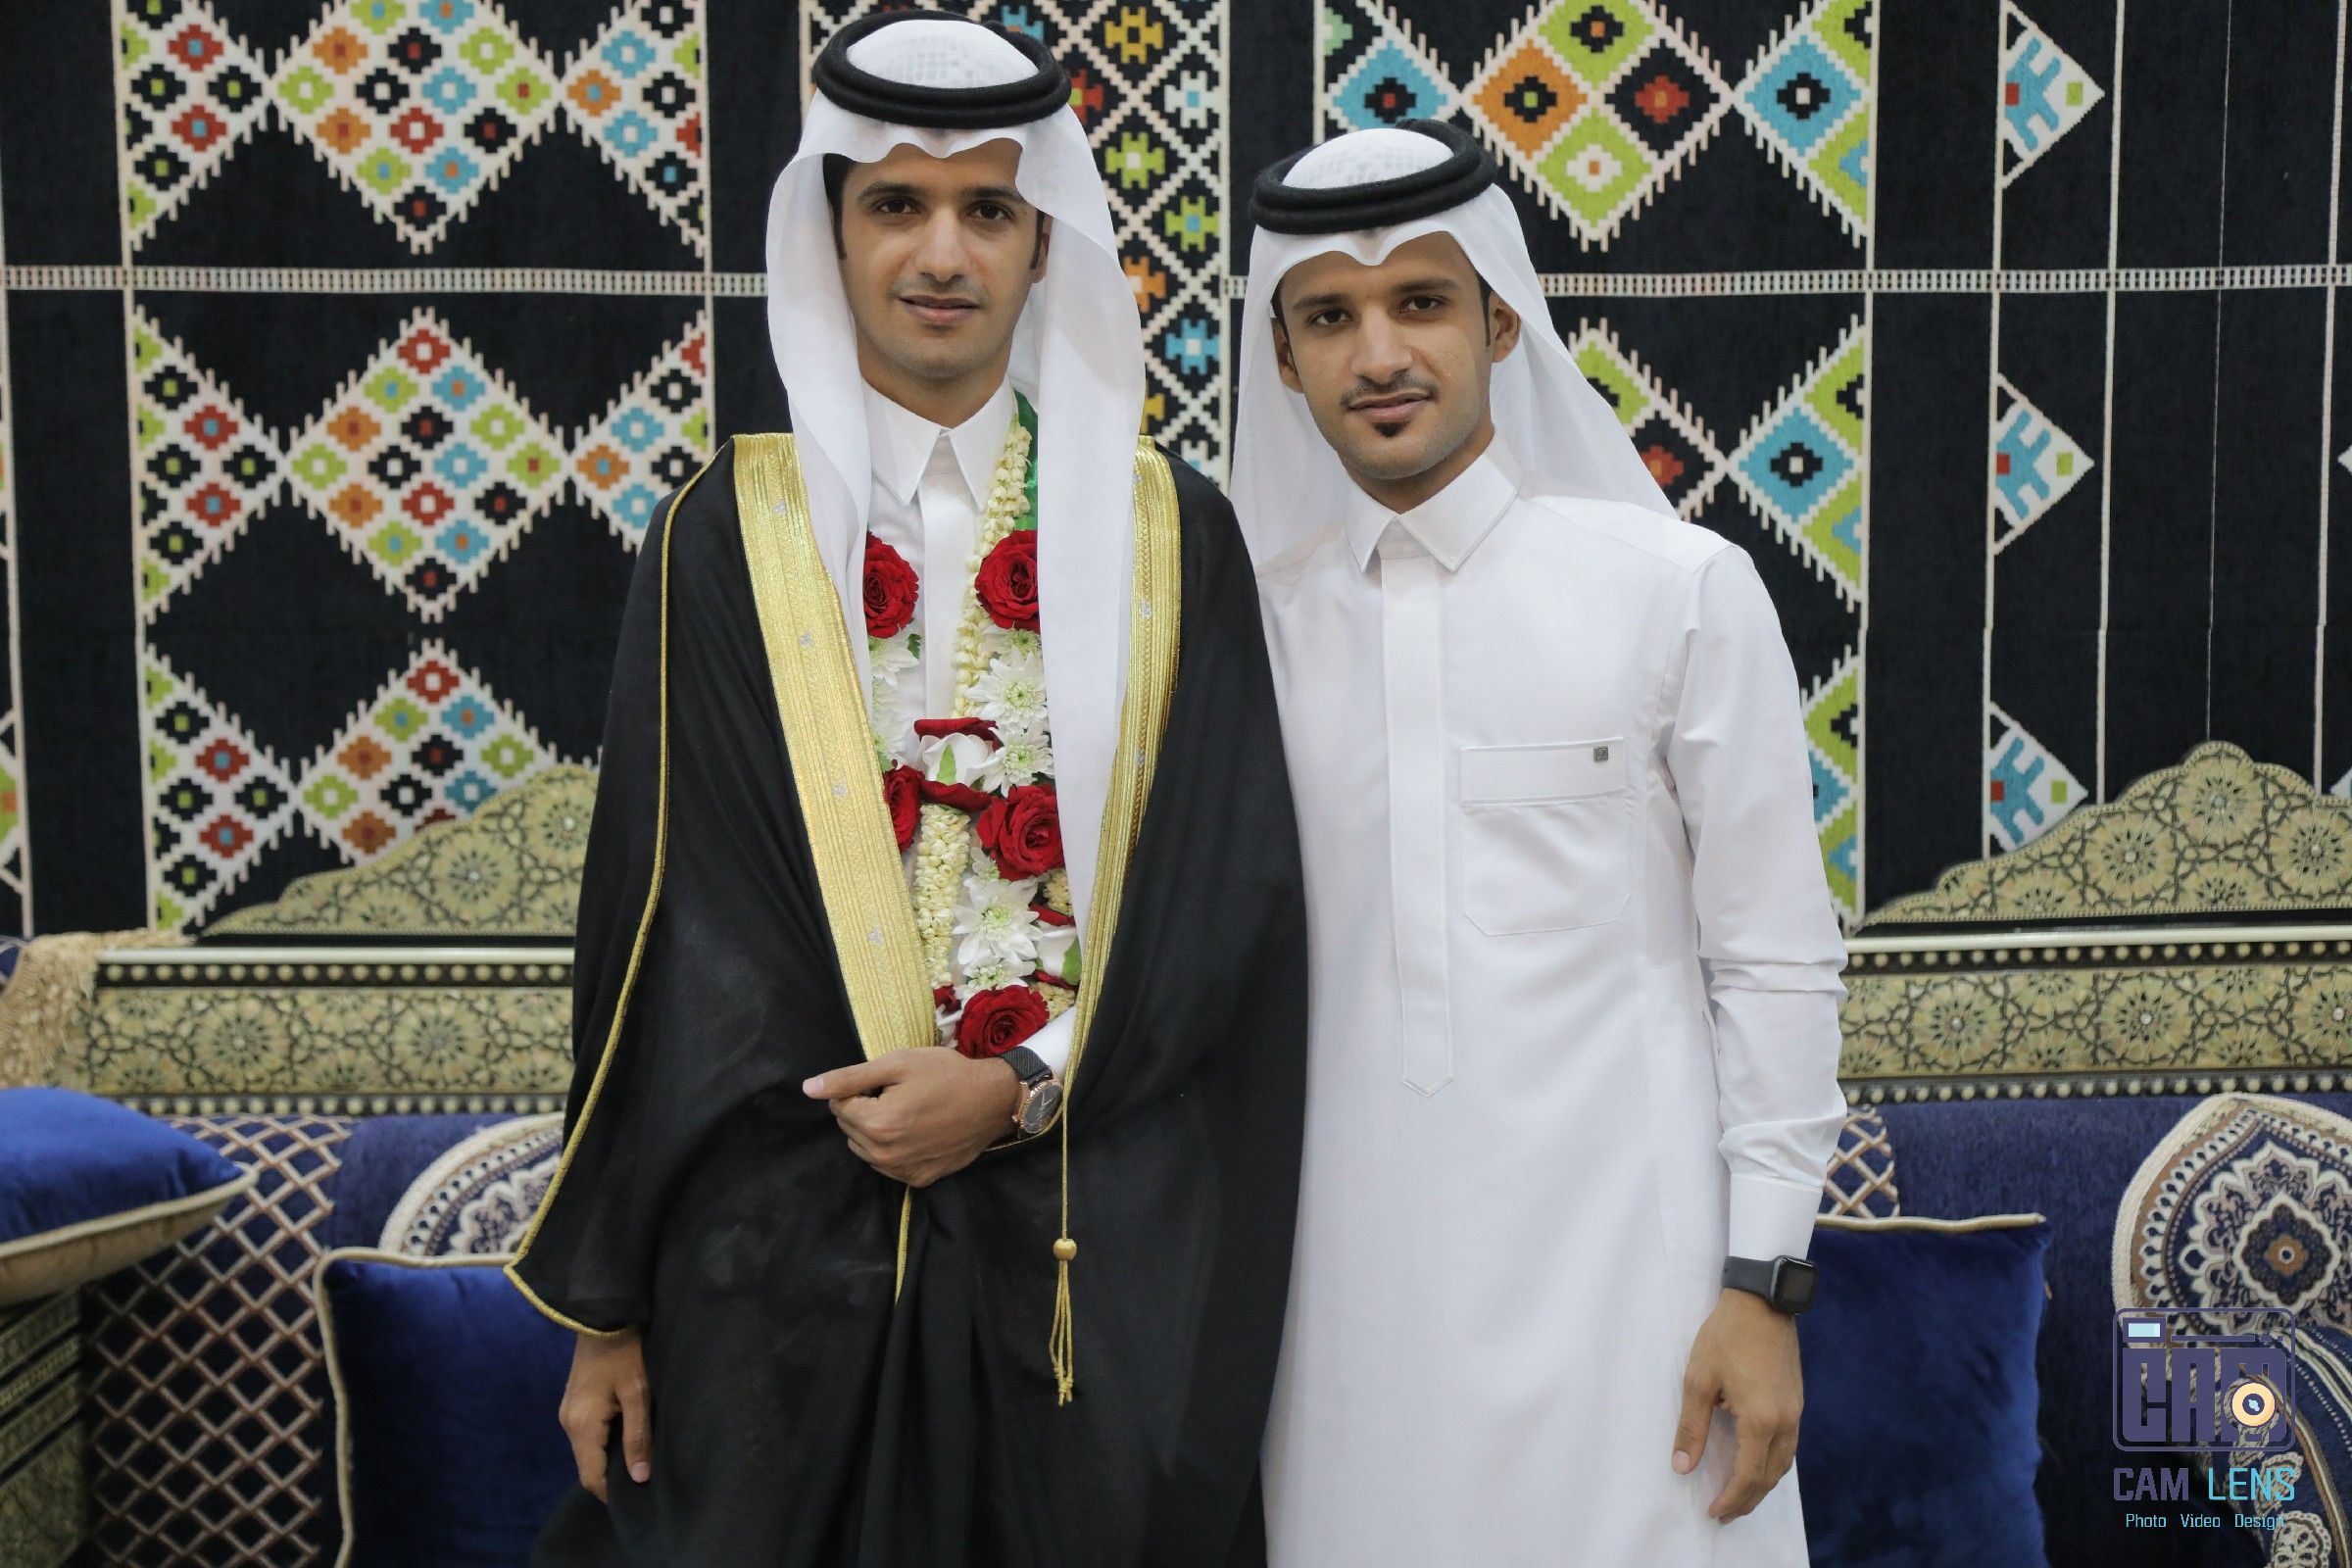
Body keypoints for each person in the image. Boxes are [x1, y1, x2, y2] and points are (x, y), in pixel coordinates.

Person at [508, 15, 1307, 1565]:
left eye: (988, 209)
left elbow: (1230, 905)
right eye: (897, 205)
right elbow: (655, 927)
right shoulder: (723, 535)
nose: (943, 253)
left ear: (1041, 244)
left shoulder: (1170, 536)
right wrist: (609, 1307)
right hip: (770, 1265)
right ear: (833, 236)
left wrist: (1018, 1087)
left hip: (1083, 1236)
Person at [1233, 121, 1852, 1566]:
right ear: (1285, 361)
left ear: (1501, 320)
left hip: (1637, 1299)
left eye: (1421, 303)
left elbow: (1774, 958)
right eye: (1329, 317)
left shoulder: (1677, 590)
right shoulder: (1244, 635)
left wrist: (1763, 1285)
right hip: (1343, 1316)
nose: (1379, 354)